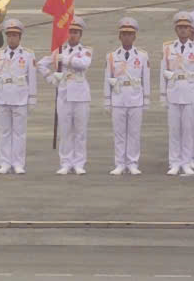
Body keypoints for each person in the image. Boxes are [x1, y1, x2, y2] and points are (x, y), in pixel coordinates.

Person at [41, 19, 93, 175]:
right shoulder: (59, 50)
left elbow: (83, 64)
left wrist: (66, 59)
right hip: (64, 94)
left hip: (80, 95)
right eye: (70, 32)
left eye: (75, 32)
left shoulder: (85, 50)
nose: (72, 35)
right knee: (65, 131)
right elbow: (40, 64)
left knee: (80, 131)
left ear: (80, 34)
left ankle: (79, 163)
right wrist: (51, 78)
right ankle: (65, 162)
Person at [102, 17, 149, 176]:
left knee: (134, 133)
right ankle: (120, 163)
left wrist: (146, 100)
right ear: (119, 36)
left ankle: (133, 163)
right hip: (118, 97)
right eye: (124, 34)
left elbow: (146, 79)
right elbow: (107, 79)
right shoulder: (111, 56)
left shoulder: (142, 56)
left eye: (130, 34)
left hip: (135, 98)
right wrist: (107, 100)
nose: (127, 37)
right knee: (119, 134)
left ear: (134, 36)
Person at [0, 19, 36, 174]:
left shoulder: (28, 55)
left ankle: (18, 163)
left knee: (19, 133)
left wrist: (32, 99)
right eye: (9, 35)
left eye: (15, 35)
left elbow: (32, 78)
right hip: (3, 96)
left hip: (20, 97)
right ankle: (5, 163)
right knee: (4, 132)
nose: (11, 38)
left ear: (20, 37)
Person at [161, 12, 194, 176]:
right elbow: (163, 73)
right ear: (176, 29)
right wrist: (163, 95)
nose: (183, 30)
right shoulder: (168, 49)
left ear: (190, 30)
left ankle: (186, 162)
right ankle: (174, 162)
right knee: (174, 130)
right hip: (173, 92)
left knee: (188, 130)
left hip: (189, 93)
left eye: (186, 27)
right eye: (180, 27)